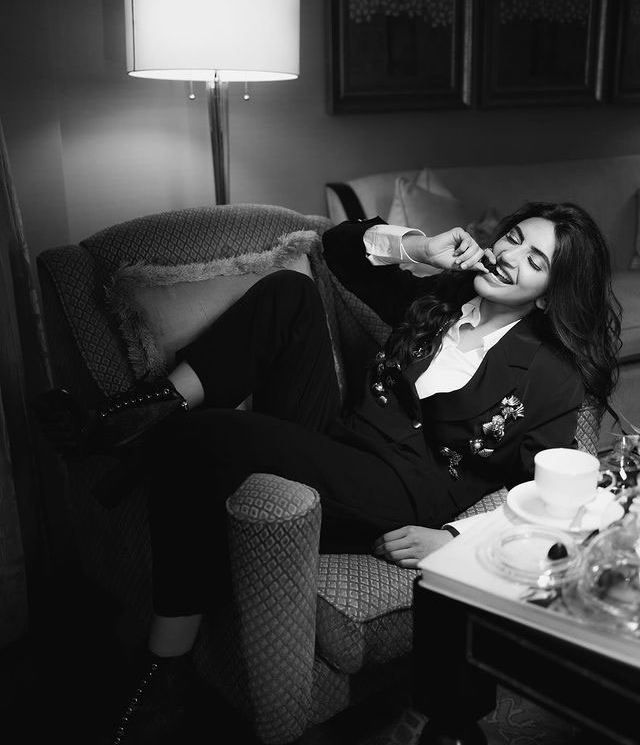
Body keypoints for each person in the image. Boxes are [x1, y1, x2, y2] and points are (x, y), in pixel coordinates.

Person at [33, 201, 622, 744]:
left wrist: (453, 537)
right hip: (338, 443)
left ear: (549, 296)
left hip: (400, 491)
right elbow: (338, 247)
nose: (510, 256)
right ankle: (147, 411)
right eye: (514, 238)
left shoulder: (552, 375)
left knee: (201, 440)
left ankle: (166, 665)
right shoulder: (442, 294)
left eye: (535, 260)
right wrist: (422, 248)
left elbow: (543, 490)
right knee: (289, 292)